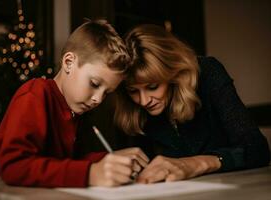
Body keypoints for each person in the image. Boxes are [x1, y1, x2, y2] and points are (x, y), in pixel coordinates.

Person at [0, 19, 149, 188]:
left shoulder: (75, 109)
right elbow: (15, 167)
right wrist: (91, 173)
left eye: (106, 93)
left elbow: (69, 161)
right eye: (94, 84)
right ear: (68, 62)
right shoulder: (34, 94)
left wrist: (108, 160)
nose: (98, 99)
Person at [114, 24, 270, 184]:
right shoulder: (134, 108)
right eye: (133, 91)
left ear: (173, 73)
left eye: (153, 87)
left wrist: (196, 164)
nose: (144, 101)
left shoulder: (208, 73)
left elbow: (257, 149)